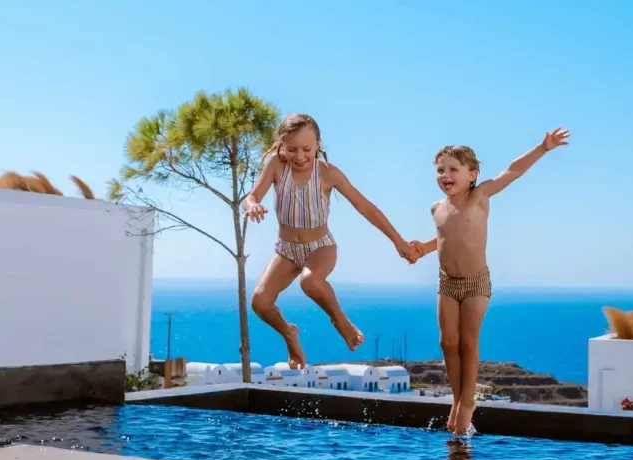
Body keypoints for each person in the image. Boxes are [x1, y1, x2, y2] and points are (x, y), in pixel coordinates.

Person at [411, 127, 571, 435]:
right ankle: (457, 399)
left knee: (468, 342)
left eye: (453, 169)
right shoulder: (436, 208)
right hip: (447, 282)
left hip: (475, 283)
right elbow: (445, 237)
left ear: (472, 174)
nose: (446, 175)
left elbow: (512, 171)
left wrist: (543, 147)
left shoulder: (480, 196)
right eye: (440, 170)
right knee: (448, 343)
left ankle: (467, 401)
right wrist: (423, 248)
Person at [243, 113, 419, 370]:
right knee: (260, 301)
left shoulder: (327, 173)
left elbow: (365, 207)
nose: (300, 156)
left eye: (307, 149)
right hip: (286, 250)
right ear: (281, 145)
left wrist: (399, 242)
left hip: (320, 247)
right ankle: (289, 334)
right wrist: (253, 204)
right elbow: (252, 195)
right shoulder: (276, 166)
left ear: (318, 145)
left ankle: (340, 321)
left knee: (310, 281)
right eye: (291, 149)